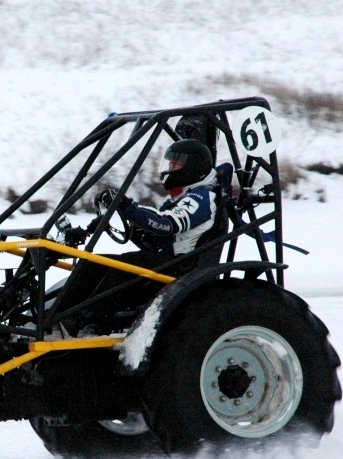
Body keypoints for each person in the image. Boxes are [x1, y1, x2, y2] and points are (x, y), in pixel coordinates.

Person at [56, 125, 229, 335]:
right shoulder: (181, 198)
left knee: (128, 264)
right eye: (170, 164)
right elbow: (158, 236)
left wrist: (127, 207)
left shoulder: (201, 198)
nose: (169, 170)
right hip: (168, 261)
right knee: (94, 263)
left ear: (192, 168)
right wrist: (131, 222)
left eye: (175, 165)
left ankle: (88, 320)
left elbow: (166, 225)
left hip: (181, 270)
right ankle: (60, 317)